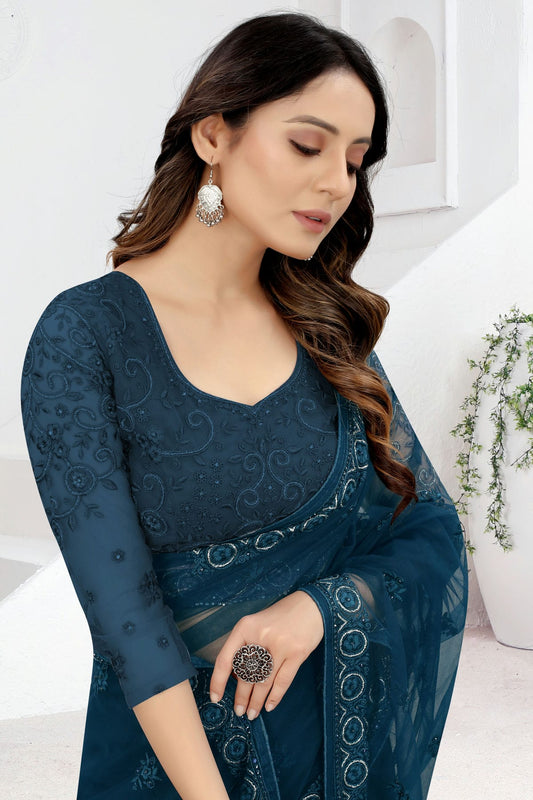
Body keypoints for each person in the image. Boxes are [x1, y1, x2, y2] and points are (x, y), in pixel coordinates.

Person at [19, 11, 467, 800]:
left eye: (355, 161)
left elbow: (426, 529)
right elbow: (126, 621)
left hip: (333, 761)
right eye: (307, 145)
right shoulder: (85, 336)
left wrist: (318, 609)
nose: (337, 183)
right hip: (173, 774)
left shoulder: (326, 333)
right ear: (212, 135)